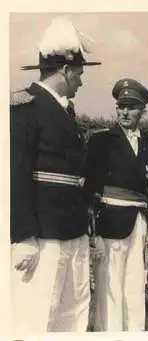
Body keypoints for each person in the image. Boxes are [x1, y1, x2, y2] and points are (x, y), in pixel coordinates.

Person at [10, 17, 100, 336]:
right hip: (43, 237)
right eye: (80, 72)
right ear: (65, 69)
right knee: (38, 316)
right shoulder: (24, 108)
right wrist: (22, 236)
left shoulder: (64, 110)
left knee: (73, 313)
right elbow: (14, 175)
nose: (81, 80)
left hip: (71, 229)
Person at [84, 79, 148, 331]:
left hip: (138, 219)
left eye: (131, 107)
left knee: (136, 280)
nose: (125, 112)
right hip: (110, 219)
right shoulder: (102, 141)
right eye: (121, 106)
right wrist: (92, 227)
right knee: (110, 284)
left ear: (142, 111)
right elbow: (91, 186)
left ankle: (135, 331)